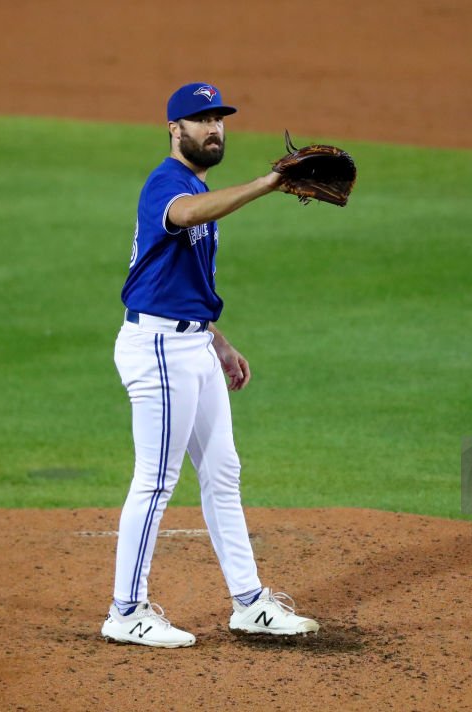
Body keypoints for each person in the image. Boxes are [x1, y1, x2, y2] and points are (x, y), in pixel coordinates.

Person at [101, 82, 319, 647]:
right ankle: (125, 611)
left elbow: (174, 278)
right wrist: (268, 184)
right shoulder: (167, 185)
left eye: (219, 119)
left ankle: (248, 602)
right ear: (174, 129)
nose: (213, 129)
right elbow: (184, 214)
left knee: (223, 474)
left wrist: (216, 340)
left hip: (191, 344)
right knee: (155, 482)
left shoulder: (195, 184)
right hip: (159, 351)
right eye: (200, 120)